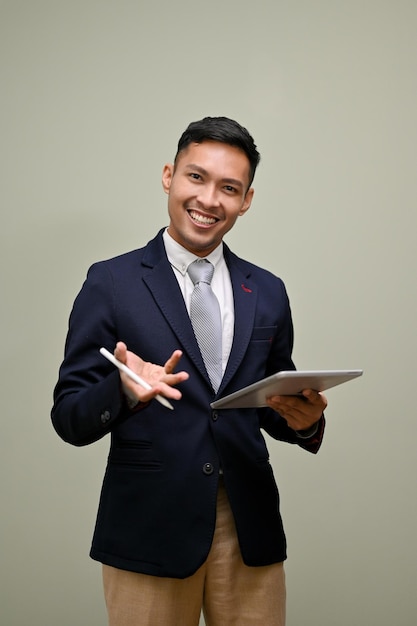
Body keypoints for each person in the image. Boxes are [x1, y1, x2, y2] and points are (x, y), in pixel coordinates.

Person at [51, 116, 327, 626]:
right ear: (168, 177)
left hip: (248, 528)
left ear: (246, 200)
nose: (209, 199)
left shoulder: (267, 290)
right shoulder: (111, 282)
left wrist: (302, 419)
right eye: (195, 177)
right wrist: (124, 391)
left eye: (229, 188)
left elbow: (266, 405)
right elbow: (69, 415)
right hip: (150, 528)